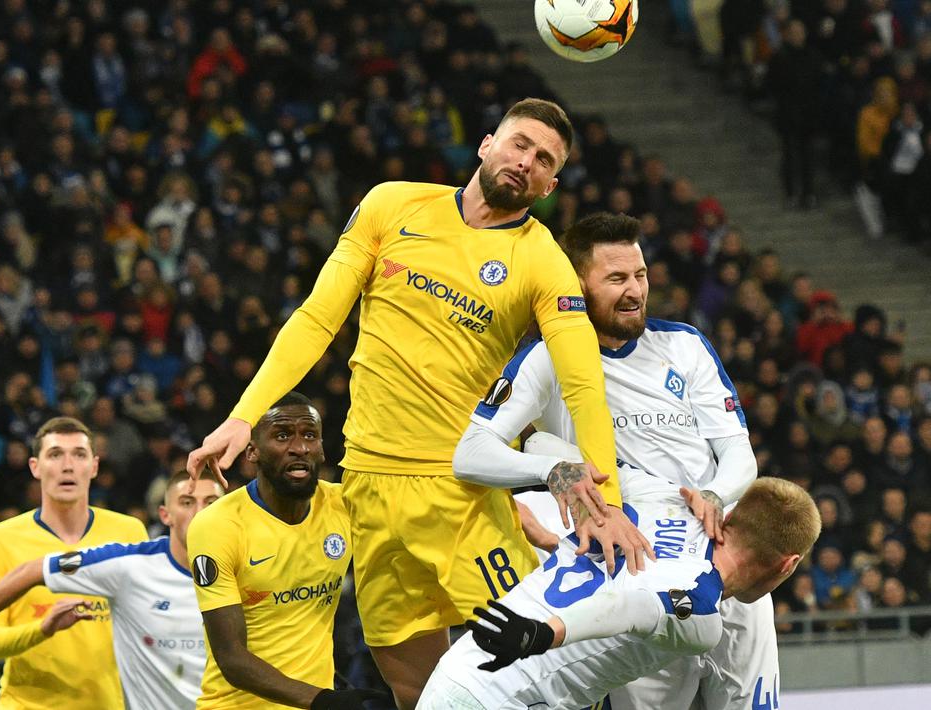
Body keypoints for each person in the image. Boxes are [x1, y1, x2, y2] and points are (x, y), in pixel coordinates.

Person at [187, 98, 648, 708]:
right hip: (367, 489)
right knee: (417, 693)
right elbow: (319, 318)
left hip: (458, 495)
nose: (525, 162)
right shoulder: (391, 205)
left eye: (544, 160)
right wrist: (244, 416)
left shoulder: (544, 263)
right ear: (487, 144)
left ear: (550, 185)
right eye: (519, 144)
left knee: (542, 673)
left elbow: (584, 384)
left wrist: (607, 503)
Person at [453, 212, 776, 709]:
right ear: (578, 283)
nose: (635, 291)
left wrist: (715, 492)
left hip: (719, 549)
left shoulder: (684, 345)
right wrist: (552, 471)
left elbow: (737, 451)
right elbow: (471, 454)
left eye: (641, 275)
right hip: (634, 570)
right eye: (617, 279)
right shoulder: (547, 360)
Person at [418, 462, 820, 710]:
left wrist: (570, 517)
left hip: (461, 667)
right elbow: (632, 608)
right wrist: (544, 633)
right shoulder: (703, 614)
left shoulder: (660, 495)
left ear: (730, 516)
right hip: (506, 695)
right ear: (788, 565)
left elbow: (549, 444)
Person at [0, 471, 224, 709]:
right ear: (165, 514)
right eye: (187, 502)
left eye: (210, 503)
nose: (199, 512)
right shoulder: (130, 561)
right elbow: (34, 570)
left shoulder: (252, 565)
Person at [187, 392, 386, 709]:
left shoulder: (346, 504)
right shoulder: (218, 525)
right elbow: (232, 658)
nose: (299, 447)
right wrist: (321, 699)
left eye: (310, 435)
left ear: (321, 448)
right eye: (282, 436)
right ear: (252, 451)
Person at [0, 417, 148, 709]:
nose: (68, 466)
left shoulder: (129, 533)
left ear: (95, 466)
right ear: (35, 468)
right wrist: (43, 628)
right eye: (55, 454)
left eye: (79, 454)